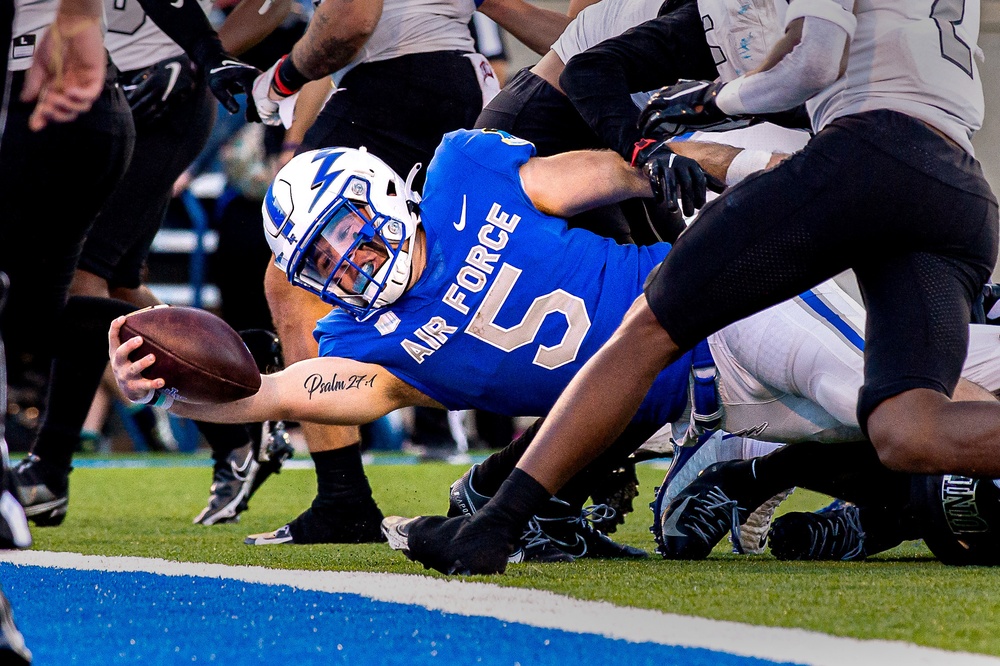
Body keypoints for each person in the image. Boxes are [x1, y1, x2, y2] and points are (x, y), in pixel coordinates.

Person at [108, 129, 1000, 559]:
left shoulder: (464, 178)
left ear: (378, 191)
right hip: (722, 409)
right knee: (951, 409)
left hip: (730, 311)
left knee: (916, 424)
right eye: (321, 258)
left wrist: (748, 175)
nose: (345, 259)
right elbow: (265, 393)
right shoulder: (376, 341)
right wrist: (162, 383)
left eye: (344, 229)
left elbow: (627, 169)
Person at [393, 0, 1000, 576]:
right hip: (958, 188)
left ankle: (493, 526)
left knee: (647, 328)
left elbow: (815, 61)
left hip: (870, 149)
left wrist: (713, 98)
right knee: (909, 430)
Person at [242, 0, 583, 546]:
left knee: (296, 278)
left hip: (397, 77)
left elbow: (347, 24)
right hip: (457, 78)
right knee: (487, 263)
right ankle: (554, 479)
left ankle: (344, 497)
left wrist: (278, 79)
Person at [9, 0, 290, 529]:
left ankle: (50, 465)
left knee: (84, 269)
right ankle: (241, 404)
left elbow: (275, 4)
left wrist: (204, 56)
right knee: (118, 284)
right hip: (92, 87)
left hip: (157, 92)